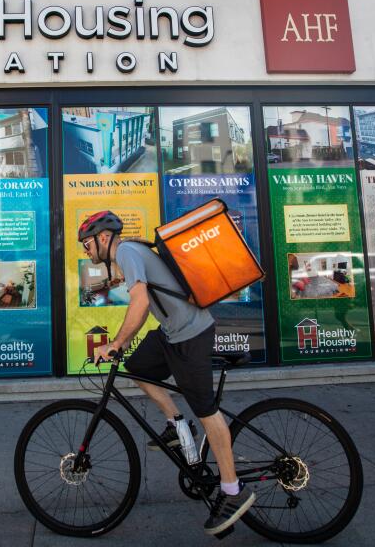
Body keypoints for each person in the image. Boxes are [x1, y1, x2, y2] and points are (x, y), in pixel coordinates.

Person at [78, 210, 255, 535]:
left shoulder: (127, 252)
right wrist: (124, 346)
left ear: (103, 237)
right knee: (136, 365)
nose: (85, 250)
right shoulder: (129, 254)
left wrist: (116, 342)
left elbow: (140, 301)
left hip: (190, 334)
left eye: (87, 243)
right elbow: (145, 304)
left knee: (206, 410)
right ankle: (176, 424)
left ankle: (233, 489)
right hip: (171, 333)